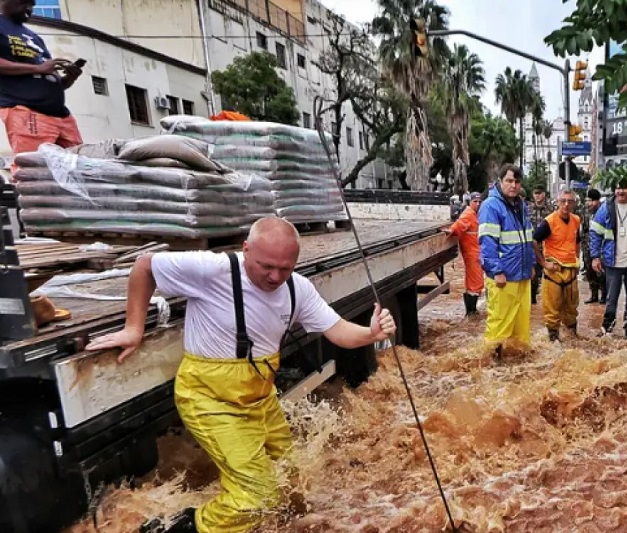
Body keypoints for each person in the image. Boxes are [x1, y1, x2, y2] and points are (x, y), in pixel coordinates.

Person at [85, 218, 397, 533]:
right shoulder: (212, 270)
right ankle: (174, 529)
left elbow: (338, 330)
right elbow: (145, 266)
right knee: (259, 494)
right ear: (246, 249)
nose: (275, 277)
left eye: (285, 268)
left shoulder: (297, 288)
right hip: (209, 397)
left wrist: (370, 333)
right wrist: (134, 328)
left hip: (260, 397)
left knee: (290, 477)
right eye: (266, 266)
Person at [0, 0, 83, 176]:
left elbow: (52, 80)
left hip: (61, 115)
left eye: (32, 4)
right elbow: (39, 69)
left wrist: (70, 77)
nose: (30, 8)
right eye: (25, 2)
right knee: (33, 171)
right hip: (26, 110)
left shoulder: (34, 37)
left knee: (78, 167)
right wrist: (38, 68)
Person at [478, 163, 535, 344]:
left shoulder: (521, 205)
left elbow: (528, 238)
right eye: (509, 181)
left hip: (522, 275)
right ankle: (493, 358)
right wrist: (496, 271)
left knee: (521, 326)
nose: (513, 185)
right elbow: (487, 243)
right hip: (503, 276)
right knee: (499, 325)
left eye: (517, 182)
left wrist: (531, 264)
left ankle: (517, 359)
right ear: (500, 181)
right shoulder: (491, 206)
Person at [590, 179, 627, 338]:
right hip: (612, 261)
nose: (620, 192)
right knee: (611, 297)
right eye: (617, 188)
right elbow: (595, 233)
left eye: (624, 188)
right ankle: (607, 326)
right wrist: (595, 257)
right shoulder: (606, 208)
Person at [533, 189, 581, 342]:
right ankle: (553, 341)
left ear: (574, 204)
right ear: (557, 202)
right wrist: (543, 263)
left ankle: (572, 339)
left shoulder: (576, 220)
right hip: (554, 271)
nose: (566, 204)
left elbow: (577, 242)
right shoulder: (549, 221)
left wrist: (577, 260)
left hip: (571, 270)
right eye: (563, 201)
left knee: (572, 307)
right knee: (552, 309)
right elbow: (534, 241)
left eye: (570, 201)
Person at [445, 192, 483, 315]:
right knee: (475, 282)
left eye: (479, 202)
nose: (478, 204)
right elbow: (458, 226)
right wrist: (450, 230)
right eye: (475, 201)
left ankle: (472, 312)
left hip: (475, 253)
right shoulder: (469, 214)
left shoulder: (474, 214)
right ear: (470, 202)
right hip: (472, 253)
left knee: (474, 281)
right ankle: (471, 312)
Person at [527, 185, 555, 304]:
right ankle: (532, 298)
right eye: (535, 193)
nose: (537, 196)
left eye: (540, 193)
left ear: (544, 194)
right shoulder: (528, 209)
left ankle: (550, 299)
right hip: (532, 246)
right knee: (533, 274)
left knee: (550, 274)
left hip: (548, 246)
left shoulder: (551, 209)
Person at [582, 188, 606, 305]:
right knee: (590, 272)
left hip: (600, 248)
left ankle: (604, 295)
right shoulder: (586, 213)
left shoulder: (603, 212)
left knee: (601, 272)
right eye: (588, 201)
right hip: (587, 247)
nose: (589, 203)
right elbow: (584, 229)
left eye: (592, 201)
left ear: (597, 201)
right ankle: (594, 295)